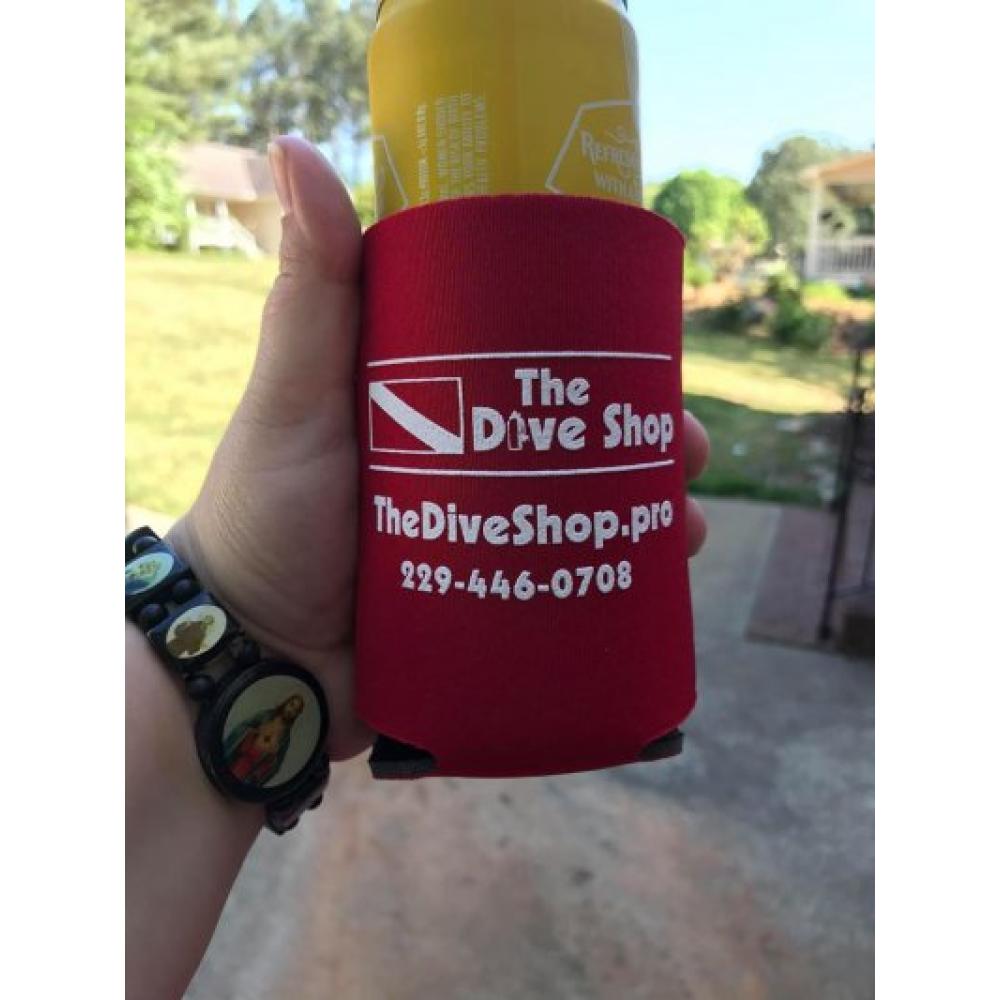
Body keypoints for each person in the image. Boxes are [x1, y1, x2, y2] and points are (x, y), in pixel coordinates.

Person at [125, 135, 711, 1000]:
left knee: (637, 451)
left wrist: (236, 617)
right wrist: (235, 603)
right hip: (426, 679)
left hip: (594, 684)